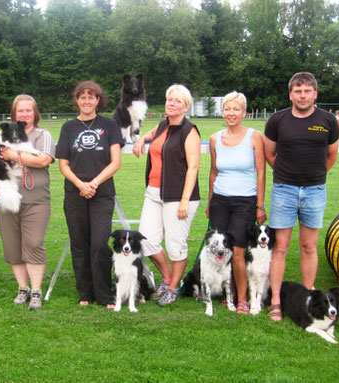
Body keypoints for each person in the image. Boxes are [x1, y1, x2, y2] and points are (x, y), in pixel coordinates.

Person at [264, 72, 339, 322]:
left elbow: (331, 156)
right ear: (290, 94)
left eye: (307, 90)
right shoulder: (277, 120)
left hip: (315, 191)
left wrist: (312, 177)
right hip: (284, 189)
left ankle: (309, 297)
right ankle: (275, 300)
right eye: (298, 91)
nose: (303, 95)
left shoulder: (328, 120)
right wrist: (288, 175)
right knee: (280, 247)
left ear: (315, 93)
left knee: (308, 246)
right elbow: (270, 153)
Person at [0, 95, 55, 310]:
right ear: (14, 114)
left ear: (35, 113)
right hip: (5, 197)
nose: (24, 114)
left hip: (36, 200)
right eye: (20, 111)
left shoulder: (43, 135)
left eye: (28, 110)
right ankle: (22, 289)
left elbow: (43, 160)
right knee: (12, 246)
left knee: (33, 244)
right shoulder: (0, 135)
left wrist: (14, 155)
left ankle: (36, 291)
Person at [56, 81, 123, 308]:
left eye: (91, 97)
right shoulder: (68, 128)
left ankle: (105, 295)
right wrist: (80, 185)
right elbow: (63, 164)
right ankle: (85, 293)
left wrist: (93, 183)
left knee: (100, 243)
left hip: (102, 193)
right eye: (82, 97)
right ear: (77, 100)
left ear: (98, 100)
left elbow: (116, 162)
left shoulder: (109, 125)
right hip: (75, 194)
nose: (86, 101)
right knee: (79, 243)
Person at [133, 84, 201, 307]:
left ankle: (173, 288)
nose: (171, 103)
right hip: (153, 193)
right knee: (146, 240)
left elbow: (193, 168)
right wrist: (142, 139)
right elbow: (152, 135)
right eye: (169, 99)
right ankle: (170, 278)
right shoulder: (163, 125)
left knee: (175, 244)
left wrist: (184, 200)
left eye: (177, 101)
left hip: (178, 197)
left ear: (185, 106)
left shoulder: (189, 131)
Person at [205, 91, 266, 314]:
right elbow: (213, 173)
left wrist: (260, 205)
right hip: (220, 201)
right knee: (221, 250)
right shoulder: (214, 139)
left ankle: (242, 298)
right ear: (223, 112)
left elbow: (261, 173)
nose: (231, 113)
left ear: (244, 113)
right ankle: (225, 293)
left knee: (238, 252)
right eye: (227, 109)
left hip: (245, 202)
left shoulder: (254, 137)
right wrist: (210, 202)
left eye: (236, 109)